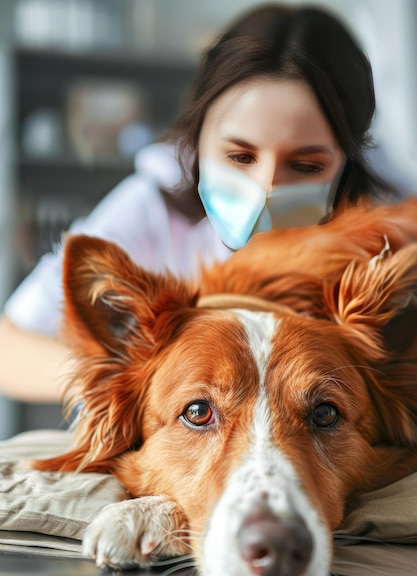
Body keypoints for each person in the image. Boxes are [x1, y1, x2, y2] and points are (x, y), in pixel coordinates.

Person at [0, 3, 392, 404]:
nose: (266, 190)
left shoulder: (387, 242)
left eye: (306, 166)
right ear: (198, 138)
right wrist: (134, 383)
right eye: (239, 157)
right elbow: (8, 348)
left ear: (349, 163)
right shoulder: (149, 209)